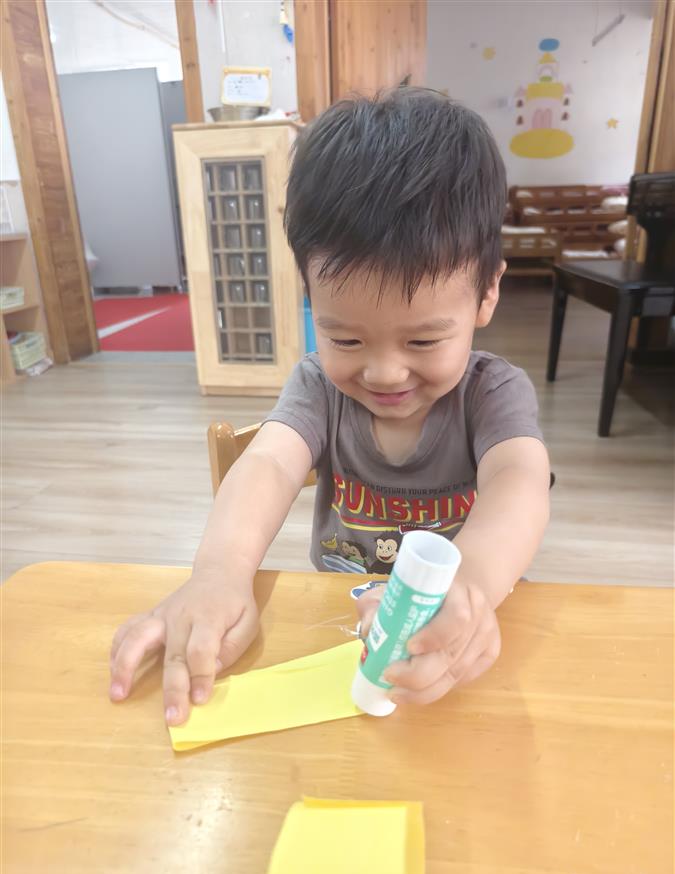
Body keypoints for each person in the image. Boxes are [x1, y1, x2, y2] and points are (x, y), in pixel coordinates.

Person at [109, 88, 550, 725]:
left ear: (486, 295)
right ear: (311, 296)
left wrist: (474, 585)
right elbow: (267, 466)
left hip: (462, 636)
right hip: (337, 630)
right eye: (345, 339)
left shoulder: (492, 393)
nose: (384, 372)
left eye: (423, 341)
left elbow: (519, 482)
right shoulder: (319, 388)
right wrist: (218, 573)